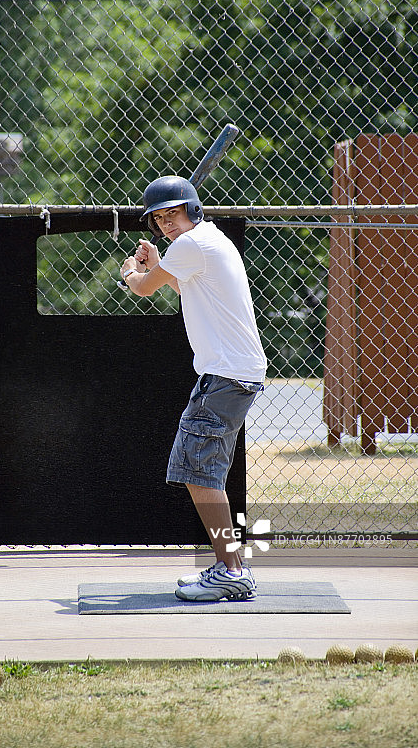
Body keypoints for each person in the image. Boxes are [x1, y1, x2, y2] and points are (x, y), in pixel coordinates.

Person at [120, 175, 267, 602]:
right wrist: (159, 261)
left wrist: (132, 270)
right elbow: (180, 280)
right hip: (228, 374)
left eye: (174, 214)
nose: (167, 224)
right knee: (202, 472)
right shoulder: (205, 242)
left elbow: (145, 287)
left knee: (200, 473)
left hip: (225, 376)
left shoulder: (191, 245)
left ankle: (232, 569)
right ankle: (231, 564)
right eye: (160, 219)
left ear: (193, 209)